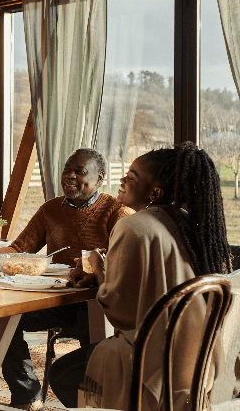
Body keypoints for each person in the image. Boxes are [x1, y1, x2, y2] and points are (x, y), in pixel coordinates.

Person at [49, 143, 232, 411]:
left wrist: (99, 270)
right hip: (196, 359)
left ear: (154, 193)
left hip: (152, 363)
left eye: (131, 177)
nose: (121, 180)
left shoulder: (133, 226)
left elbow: (121, 313)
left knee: (61, 374)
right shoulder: (185, 223)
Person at [0, 148, 134, 411]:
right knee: (3, 318)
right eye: (67, 170)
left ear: (99, 178)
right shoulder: (50, 209)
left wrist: (90, 266)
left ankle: (97, 402)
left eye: (80, 171)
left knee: (92, 325)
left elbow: (122, 260)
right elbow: (22, 247)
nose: (71, 176)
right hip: (56, 300)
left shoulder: (116, 211)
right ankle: (26, 395)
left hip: (96, 303)